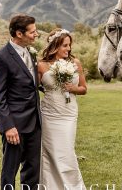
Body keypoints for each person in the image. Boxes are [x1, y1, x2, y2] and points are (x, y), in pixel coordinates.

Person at [0, 14, 41, 190]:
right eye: (33, 32)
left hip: (35, 123)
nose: (36, 34)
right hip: (15, 125)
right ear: (19, 33)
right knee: (10, 170)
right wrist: (8, 126)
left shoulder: (30, 53)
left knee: (33, 169)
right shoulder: (0, 58)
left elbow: (30, 85)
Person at [38, 28, 87, 189]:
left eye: (69, 45)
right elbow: (30, 88)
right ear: (55, 46)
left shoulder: (75, 63)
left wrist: (73, 88)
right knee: (50, 153)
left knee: (66, 152)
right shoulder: (41, 65)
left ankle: (73, 186)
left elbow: (84, 89)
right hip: (49, 114)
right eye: (65, 45)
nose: (69, 49)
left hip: (68, 114)